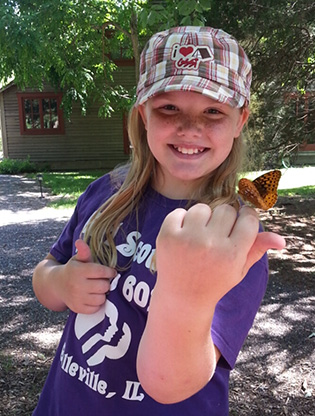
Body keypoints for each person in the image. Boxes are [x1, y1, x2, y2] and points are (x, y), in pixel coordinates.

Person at [32, 26, 285, 415]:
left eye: (213, 111)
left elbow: (170, 385)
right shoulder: (106, 192)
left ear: (240, 120)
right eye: (169, 108)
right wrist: (60, 281)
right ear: (143, 115)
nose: (190, 127)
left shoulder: (234, 239)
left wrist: (187, 297)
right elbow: (46, 273)